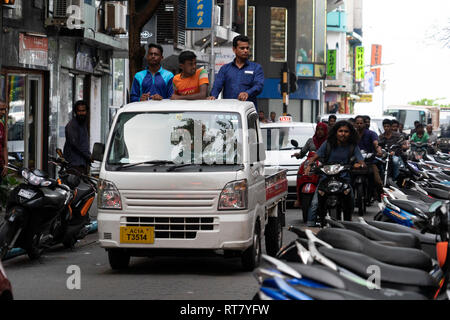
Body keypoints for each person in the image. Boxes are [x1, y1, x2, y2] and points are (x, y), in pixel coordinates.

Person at [305, 121, 365, 225]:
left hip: (344, 179)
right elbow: (315, 156)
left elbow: (361, 161)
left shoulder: (353, 146)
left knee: (350, 199)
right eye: (340, 131)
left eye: (346, 131)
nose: (343, 133)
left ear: (350, 133)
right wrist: (309, 165)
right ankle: (310, 226)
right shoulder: (328, 143)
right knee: (315, 203)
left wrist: (359, 165)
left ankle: (348, 221)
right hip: (325, 178)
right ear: (335, 132)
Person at [208, 35, 264, 110]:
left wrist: (247, 93)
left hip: (248, 111)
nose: (245, 50)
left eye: (247, 48)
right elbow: (217, 85)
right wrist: (213, 96)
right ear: (234, 49)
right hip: (229, 110)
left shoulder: (256, 68)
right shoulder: (225, 69)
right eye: (242, 48)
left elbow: (258, 86)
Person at [291, 122, 328, 214]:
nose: (319, 132)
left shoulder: (329, 141)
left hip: (324, 165)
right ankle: (299, 199)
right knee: (300, 174)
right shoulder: (310, 141)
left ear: (326, 131)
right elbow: (303, 152)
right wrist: (298, 155)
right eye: (318, 129)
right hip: (309, 164)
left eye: (322, 129)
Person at [354, 115, 383, 202]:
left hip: (370, 161)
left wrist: (379, 151)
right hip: (355, 162)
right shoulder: (352, 134)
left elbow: (376, 143)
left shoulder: (371, 134)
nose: (359, 125)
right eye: (357, 123)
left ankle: (380, 196)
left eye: (361, 123)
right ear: (355, 124)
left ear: (364, 124)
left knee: (377, 181)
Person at [63, 100, 91, 175]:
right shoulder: (72, 126)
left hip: (81, 164)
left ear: (87, 111)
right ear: (75, 112)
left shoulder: (83, 123)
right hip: (74, 165)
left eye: (83, 111)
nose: (81, 113)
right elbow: (75, 145)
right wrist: (88, 156)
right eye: (79, 111)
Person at [0, 102, 8, 181]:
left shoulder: (1, 126)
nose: (3, 112)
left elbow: (4, 146)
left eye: (4, 110)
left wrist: (6, 165)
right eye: (1, 109)